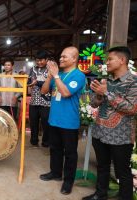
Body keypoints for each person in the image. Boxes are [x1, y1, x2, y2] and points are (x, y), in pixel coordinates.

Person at [82, 46, 137, 200]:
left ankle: (125, 197)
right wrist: (98, 95)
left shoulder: (133, 82)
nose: (107, 62)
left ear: (122, 60)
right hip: (100, 132)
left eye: (110, 59)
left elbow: (132, 108)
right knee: (102, 166)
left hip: (121, 136)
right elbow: (93, 104)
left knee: (122, 171)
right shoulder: (106, 80)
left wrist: (106, 92)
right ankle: (100, 194)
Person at [40, 46, 85, 195]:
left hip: (69, 122)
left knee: (70, 153)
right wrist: (50, 76)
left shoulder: (78, 75)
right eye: (60, 56)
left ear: (74, 59)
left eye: (65, 57)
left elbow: (65, 93)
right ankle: (55, 173)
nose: (61, 59)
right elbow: (44, 91)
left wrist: (56, 76)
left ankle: (68, 181)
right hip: (54, 120)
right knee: (55, 149)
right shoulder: (57, 75)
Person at [27, 50, 51, 147]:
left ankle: (46, 142)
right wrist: (28, 82)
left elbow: (51, 84)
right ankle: (34, 141)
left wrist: (37, 83)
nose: (39, 62)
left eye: (41, 60)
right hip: (34, 101)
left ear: (46, 60)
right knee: (33, 123)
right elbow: (29, 80)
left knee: (46, 124)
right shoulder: (32, 69)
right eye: (37, 60)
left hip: (46, 102)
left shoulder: (51, 70)